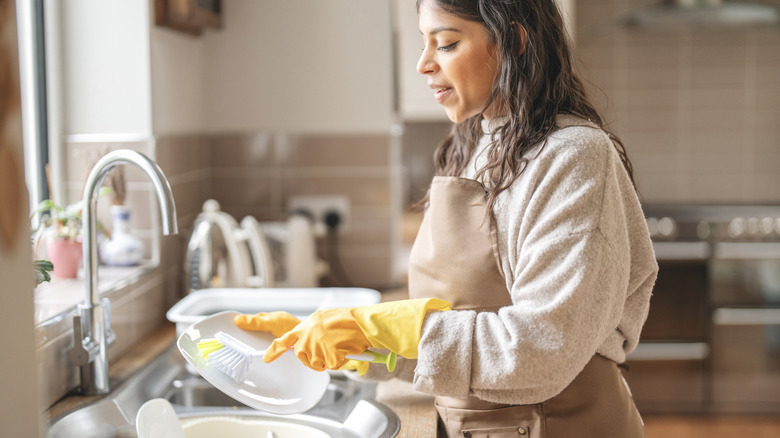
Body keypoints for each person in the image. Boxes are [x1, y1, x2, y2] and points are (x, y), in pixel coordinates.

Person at [234, 0, 658, 436]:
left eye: (447, 43)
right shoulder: (479, 146)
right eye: (424, 43)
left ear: (514, 41)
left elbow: (543, 346)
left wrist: (384, 327)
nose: (423, 64)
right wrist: (357, 342)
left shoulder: (573, 157)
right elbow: (456, 331)